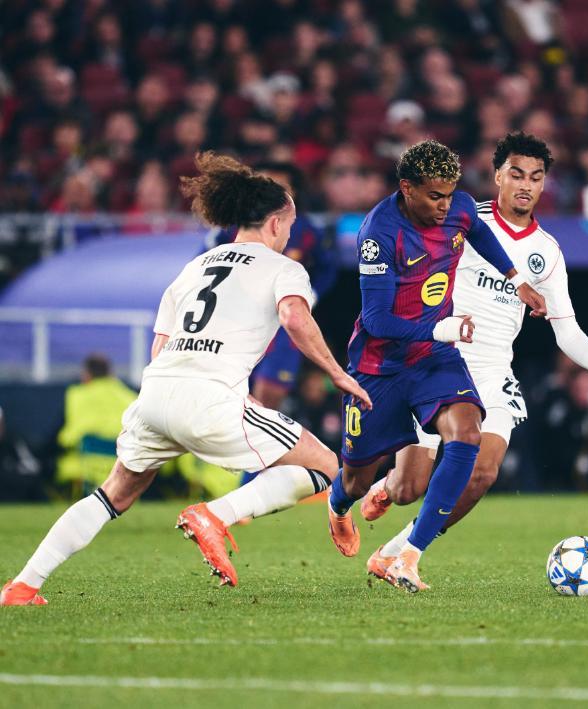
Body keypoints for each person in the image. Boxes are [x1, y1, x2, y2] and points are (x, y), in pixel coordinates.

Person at [1, 153, 371, 606]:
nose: (290, 234)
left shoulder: (195, 266)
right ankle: (217, 514)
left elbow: (160, 344)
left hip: (155, 395)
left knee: (113, 494)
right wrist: (337, 373)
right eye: (290, 226)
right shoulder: (283, 268)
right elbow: (295, 317)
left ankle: (23, 585)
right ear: (276, 223)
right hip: (209, 399)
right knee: (326, 468)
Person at [361, 132, 588, 590]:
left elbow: (566, 329)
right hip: (437, 361)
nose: (525, 185)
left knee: (482, 472)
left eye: (535, 177)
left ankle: (400, 554)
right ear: (497, 176)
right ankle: (386, 487)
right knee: (408, 488)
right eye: (516, 174)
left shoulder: (547, 252)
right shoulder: (460, 219)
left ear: (544, 183)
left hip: (493, 371)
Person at [326, 139, 547, 592]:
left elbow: (478, 232)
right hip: (381, 366)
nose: (445, 206)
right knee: (357, 478)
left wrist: (516, 279)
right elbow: (376, 320)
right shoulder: (379, 234)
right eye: (434, 196)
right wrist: (441, 328)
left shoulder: (459, 207)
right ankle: (338, 504)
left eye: (449, 194)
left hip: (434, 358)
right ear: (407, 188)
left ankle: (407, 557)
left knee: (467, 434)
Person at [202, 160, 338, 411]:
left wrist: (311, 295)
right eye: (264, 184)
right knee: (230, 395)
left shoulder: (307, 231)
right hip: (238, 322)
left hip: (282, 324)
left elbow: (327, 268)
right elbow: (203, 266)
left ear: (293, 192)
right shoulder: (231, 227)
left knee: (268, 398)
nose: (270, 191)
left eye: (279, 186)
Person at [56, 353, 136, 489]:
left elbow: (65, 439)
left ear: (86, 375)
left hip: (83, 469)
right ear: (111, 374)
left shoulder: (76, 396)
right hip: (126, 469)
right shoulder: (131, 398)